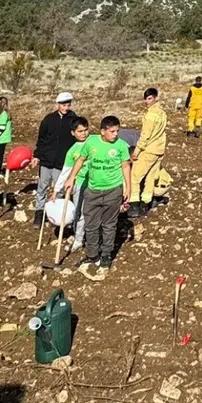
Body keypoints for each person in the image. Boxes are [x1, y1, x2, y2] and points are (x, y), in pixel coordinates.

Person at [64, 115, 131, 272]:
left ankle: (106, 255)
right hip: (92, 190)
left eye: (117, 131)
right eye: (112, 131)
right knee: (91, 224)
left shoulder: (121, 146)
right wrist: (71, 178)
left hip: (113, 191)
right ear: (102, 131)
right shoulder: (91, 142)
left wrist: (128, 187)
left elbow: (126, 167)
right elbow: (80, 160)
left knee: (109, 224)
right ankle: (92, 254)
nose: (116, 134)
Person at [31, 93, 79, 227]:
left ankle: (55, 214)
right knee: (42, 187)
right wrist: (37, 155)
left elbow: (77, 140)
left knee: (59, 189)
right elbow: (41, 139)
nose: (66, 107)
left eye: (68, 105)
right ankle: (39, 213)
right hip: (46, 160)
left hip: (62, 161)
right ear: (57, 105)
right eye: (64, 105)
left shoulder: (73, 120)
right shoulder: (48, 119)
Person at [53, 117, 91, 253]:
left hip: (97, 183)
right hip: (80, 183)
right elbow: (65, 172)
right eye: (80, 131)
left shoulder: (95, 142)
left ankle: (94, 237)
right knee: (79, 212)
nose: (83, 133)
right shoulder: (72, 151)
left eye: (86, 130)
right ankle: (79, 238)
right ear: (73, 133)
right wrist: (56, 190)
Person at [128, 88, 167, 219]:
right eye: (146, 98)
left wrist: (137, 151)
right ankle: (145, 204)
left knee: (135, 177)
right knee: (151, 177)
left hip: (149, 149)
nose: (146, 101)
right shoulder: (162, 113)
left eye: (149, 98)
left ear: (156, 98)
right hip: (159, 149)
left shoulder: (151, 115)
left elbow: (145, 135)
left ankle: (134, 206)